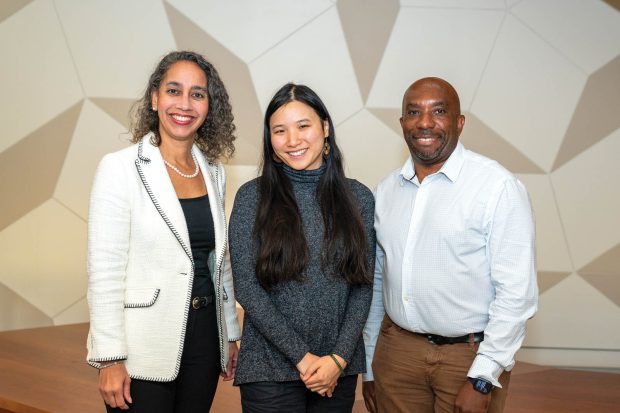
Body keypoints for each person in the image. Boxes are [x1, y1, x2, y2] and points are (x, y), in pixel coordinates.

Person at [362, 77, 538, 413]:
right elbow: (376, 284)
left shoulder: (497, 187)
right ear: (402, 124)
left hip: (468, 358)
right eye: (414, 112)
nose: (425, 122)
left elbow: (517, 294)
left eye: (438, 111)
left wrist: (482, 377)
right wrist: (370, 363)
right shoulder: (386, 192)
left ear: (459, 122)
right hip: (397, 353)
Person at [86, 50, 241, 412]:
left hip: (205, 340)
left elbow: (220, 260)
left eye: (197, 94)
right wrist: (109, 358)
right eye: (174, 91)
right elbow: (105, 270)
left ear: (208, 106)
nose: (184, 104)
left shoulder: (213, 171)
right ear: (155, 98)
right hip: (143, 348)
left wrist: (230, 333)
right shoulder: (119, 168)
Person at [229, 83, 376, 413]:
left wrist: (337, 359)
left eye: (303, 126)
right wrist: (303, 357)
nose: (292, 140)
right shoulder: (252, 198)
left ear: (325, 128)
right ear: (270, 139)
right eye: (280, 130)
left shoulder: (359, 199)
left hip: (338, 369)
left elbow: (363, 286)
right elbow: (248, 289)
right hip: (269, 370)